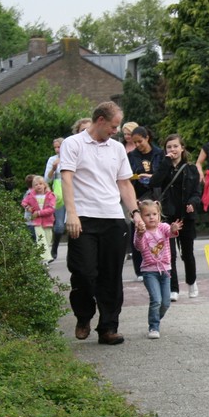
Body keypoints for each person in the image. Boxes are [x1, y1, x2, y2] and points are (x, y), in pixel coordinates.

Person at [60, 101, 144, 346]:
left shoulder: (117, 149)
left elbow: (124, 184)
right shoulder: (73, 144)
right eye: (114, 126)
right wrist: (72, 214)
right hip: (83, 218)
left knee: (111, 276)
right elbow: (67, 179)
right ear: (100, 120)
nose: (116, 131)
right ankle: (83, 315)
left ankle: (108, 327)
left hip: (112, 218)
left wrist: (135, 213)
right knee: (84, 273)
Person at [150, 133, 201, 300]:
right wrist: (165, 163)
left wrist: (192, 203)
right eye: (169, 147)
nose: (172, 149)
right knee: (169, 254)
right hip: (168, 216)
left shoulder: (191, 169)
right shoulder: (164, 167)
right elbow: (154, 182)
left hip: (186, 216)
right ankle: (174, 288)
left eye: (175, 146)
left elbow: (197, 193)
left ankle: (192, 282)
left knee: (187, 253)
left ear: (182, 148)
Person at [135, 199, 183, 339]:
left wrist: (174, 229)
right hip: (149, 271)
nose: (151, 217)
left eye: (154, 214)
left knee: (165, 303)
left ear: (159, 215)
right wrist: (140, 234)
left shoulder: (163, 227)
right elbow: (140, 247)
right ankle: (154, 326)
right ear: (141, 217)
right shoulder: (141, 232)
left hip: (165, 270)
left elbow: (170, 233)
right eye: (147, 215)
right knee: (156, 300)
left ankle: (155, 318)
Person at [127, 127, 164, 280]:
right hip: (138, 197)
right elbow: (126, 178)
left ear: (147, 138)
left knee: (158, 232)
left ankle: (160, 264)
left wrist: (151, 177)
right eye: (134, 142)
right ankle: (140, 270)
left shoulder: (159, 153)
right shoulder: (131, 156)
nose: (137, 145)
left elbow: (163, 174)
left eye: (140, 141)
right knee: (138, 231)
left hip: (156, 196)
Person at [21, 175, 56, 263]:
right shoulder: (30, 195)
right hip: (37, 222)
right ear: (33, 187)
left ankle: (42, 258)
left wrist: (39, 213)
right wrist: (28, 207)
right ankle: (45, 259)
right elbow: (24, 202)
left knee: (47, 240)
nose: (38, 186)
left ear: (44, 185)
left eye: (40, 184)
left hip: (48, 221)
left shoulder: (50, 195)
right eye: (36, 185)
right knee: (41, 240)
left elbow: (51, 209)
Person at [45, 137, 66, 261]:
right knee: (59, 226)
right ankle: (54, 248)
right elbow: (47, 179)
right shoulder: (52, 160)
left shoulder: (72, 157)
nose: (57, 150)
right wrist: (53, 168)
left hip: (75, 194)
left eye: (59, 147)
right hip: (59, 196)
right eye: (55, 147)